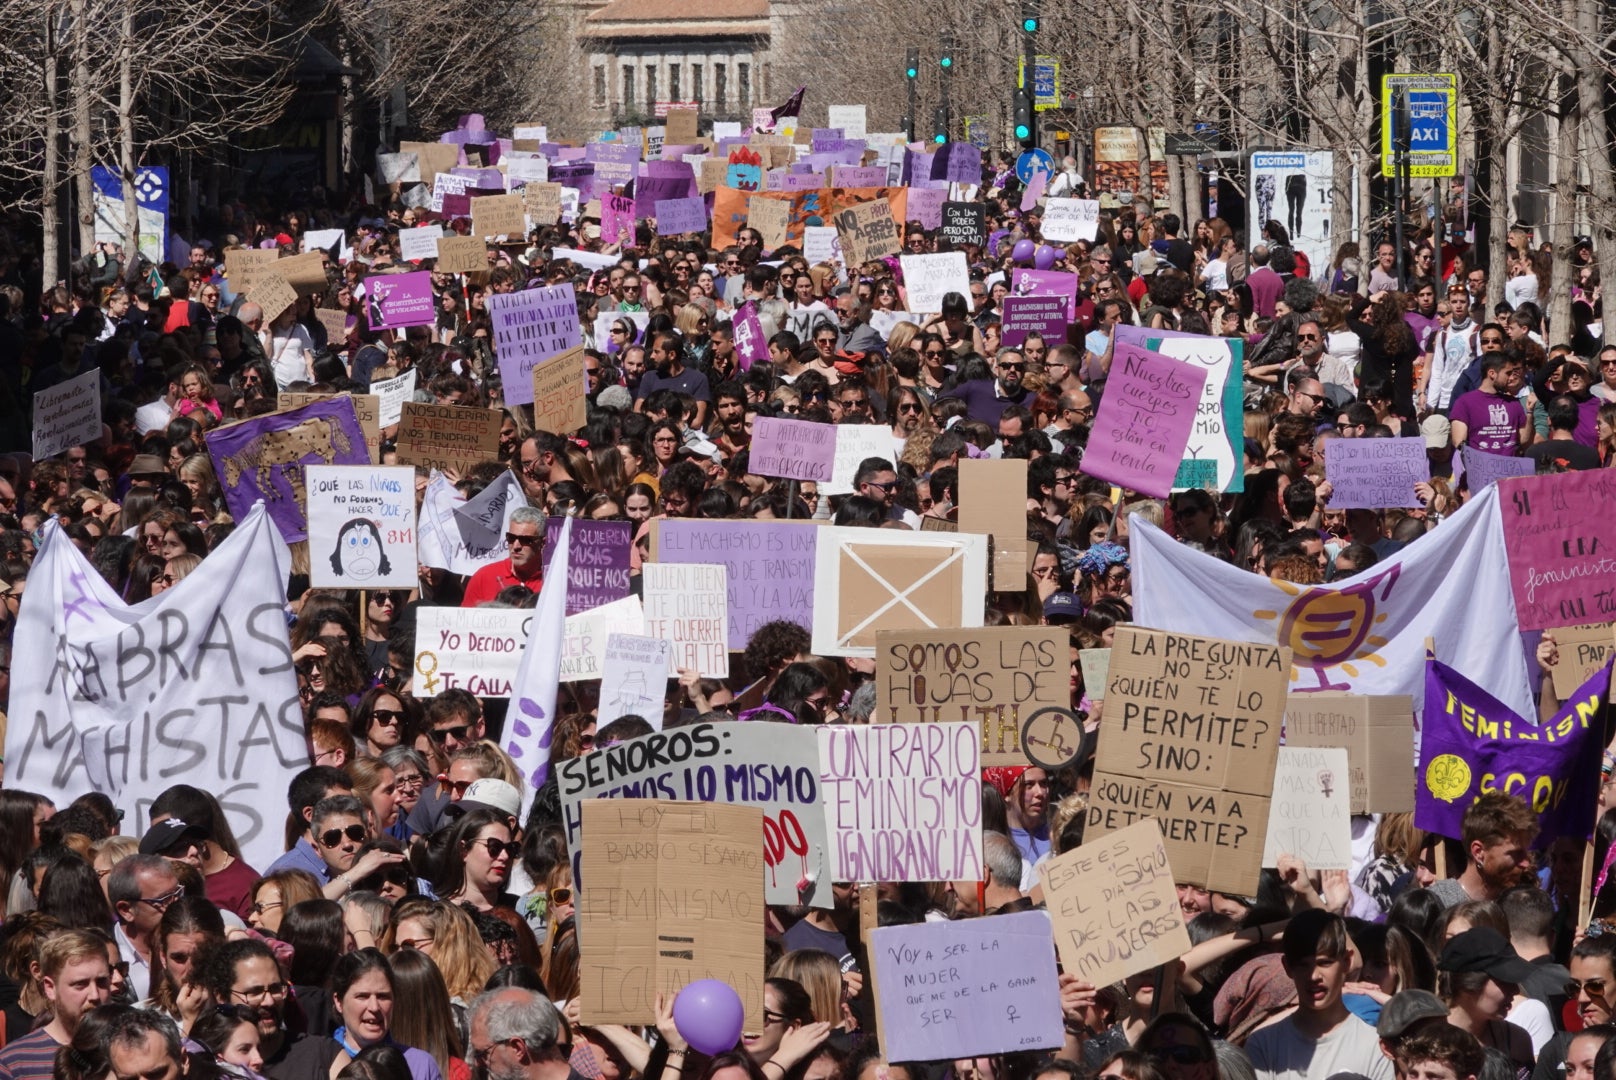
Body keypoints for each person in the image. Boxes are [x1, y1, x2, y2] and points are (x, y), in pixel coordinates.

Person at [1245, 909, 1394, 1080]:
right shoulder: (1264, 1044)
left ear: (1346, 961)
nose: (1314, 976)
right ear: (1287, 967)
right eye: (1303, 965)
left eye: (1325, 963)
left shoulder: (1375, 1047)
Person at [0, 930, 112, 1080]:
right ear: (50, 988)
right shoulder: (15, 1063)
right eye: (80, 984)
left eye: (102, 982)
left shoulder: (133, 1044)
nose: (95, 995)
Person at [1427, 792, 1538, 908]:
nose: (1526, 863)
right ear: (1478, 852)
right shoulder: (1437, 905)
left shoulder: (1519, 906)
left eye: (1526, 851)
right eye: (1516, 853)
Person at [461, 507, 545, 608]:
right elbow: (465, 620)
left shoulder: (553, 579)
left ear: (543, 543)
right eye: (511, 538)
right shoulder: (483, 576)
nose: (516, 546)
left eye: (526, 540)